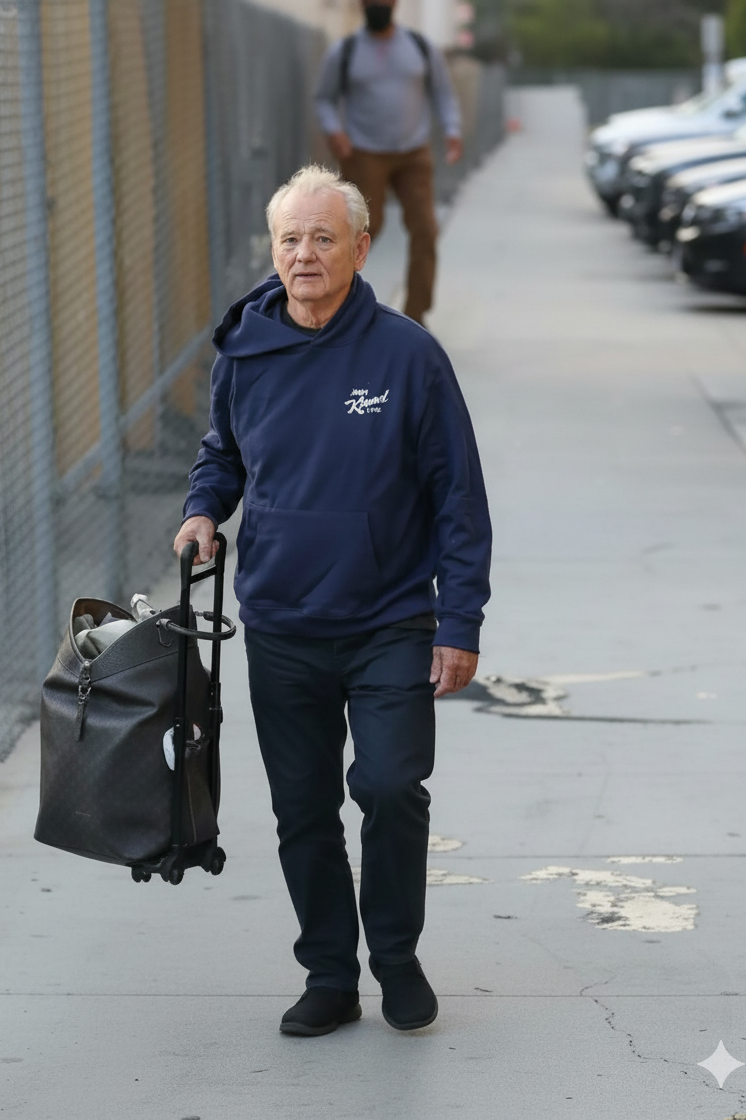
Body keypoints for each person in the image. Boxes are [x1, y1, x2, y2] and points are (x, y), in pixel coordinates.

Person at [174, 165, 491, 1037]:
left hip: (389, 617)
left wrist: (459, 622)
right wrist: (205, 510)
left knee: (391, 786)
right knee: (302, 808)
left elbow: (458, 497)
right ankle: (328, 973)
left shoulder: (407, 355)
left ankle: (394, 957)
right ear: (271, 250)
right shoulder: (245, 349)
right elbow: (222, 453)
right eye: (289, 239)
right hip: (281, 623)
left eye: (322, 237)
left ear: (358, 246)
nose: (304, 254)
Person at [314, 0, 463, 326]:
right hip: (364, 152)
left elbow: (443, 94)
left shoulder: (420, 47)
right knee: (362, 231)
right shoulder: (346, 51)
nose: (376, 4)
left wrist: (452, 129)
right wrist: (334, 131)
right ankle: (337, 310)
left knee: (425, 229)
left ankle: (415, 316)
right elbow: (324, 99)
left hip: (413, 152)